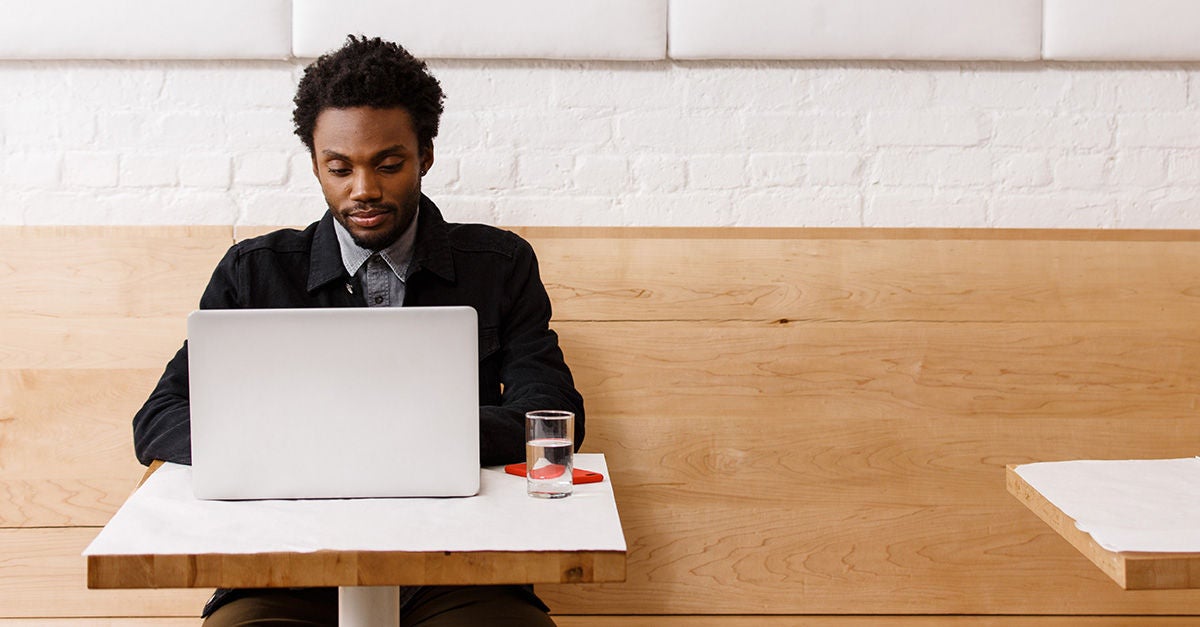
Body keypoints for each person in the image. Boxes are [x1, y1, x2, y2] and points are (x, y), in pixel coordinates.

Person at [131, 35, 585, 627]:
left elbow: (552, 419)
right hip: (286, 566)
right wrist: (363, 439)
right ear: (316, 163)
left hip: (458, 564)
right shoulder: (255, 271)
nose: (363, 189)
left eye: (388, 165)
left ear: (425, 155)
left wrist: (347, 438)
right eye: (339, 167)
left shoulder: (498, 265)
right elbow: (159, 420)